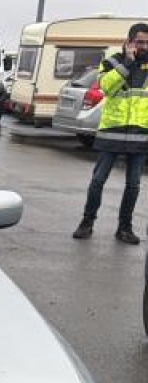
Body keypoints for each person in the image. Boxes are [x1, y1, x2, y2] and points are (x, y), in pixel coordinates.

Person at [73, 23, 148, 244]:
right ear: (129, 42)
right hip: (111, 133)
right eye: (140, 42)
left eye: (147, 42)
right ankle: (87, 222)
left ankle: (124, 228)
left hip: (140, 136)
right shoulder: (112, 62)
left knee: (133, 185)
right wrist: (128, 63)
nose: (144, 46)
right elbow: (106, 87)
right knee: (98, 181)